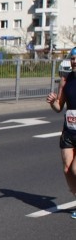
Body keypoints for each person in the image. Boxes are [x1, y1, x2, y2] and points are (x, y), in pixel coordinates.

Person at [45, 46, 76, 218]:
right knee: (66, 169)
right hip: (69, 131)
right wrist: (52, 102)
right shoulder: (65, 81)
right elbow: (59, 107)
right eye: (72, 58)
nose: (74, 61)